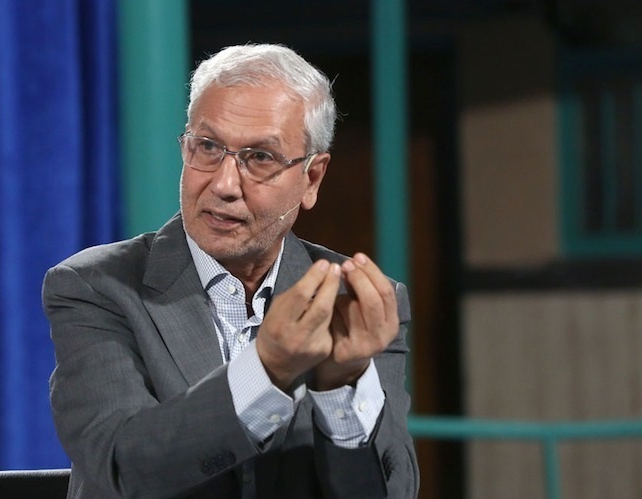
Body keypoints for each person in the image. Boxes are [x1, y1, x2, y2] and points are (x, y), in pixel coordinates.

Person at [42, 43, 418, 498]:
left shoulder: (354, 304)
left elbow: (391, 491)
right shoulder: (96, 287)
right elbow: (124, 466)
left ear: (311, 178)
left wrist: (343, 383)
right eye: (207, 147)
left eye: (260, 157)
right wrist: (268, 368)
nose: (223, 185)